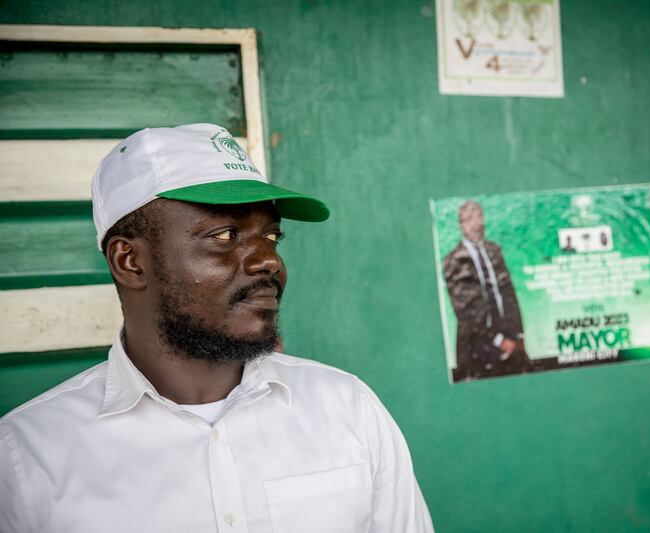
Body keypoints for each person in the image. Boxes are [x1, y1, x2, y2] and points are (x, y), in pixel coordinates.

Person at [0, 124, 433, 533]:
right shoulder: (27, 457)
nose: (269, 261)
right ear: (130, 261)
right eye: (225, 236)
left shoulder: (348, 410)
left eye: (272, 237)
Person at [443, 201, 527, 382]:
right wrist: (499, 341)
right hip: (477, 347)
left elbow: (509, 294)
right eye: (471, 218)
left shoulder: (494, 251)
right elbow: (466, 313)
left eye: (480, 216)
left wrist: (517, 335)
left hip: (510, 341)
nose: (478, 223)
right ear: (461, 225)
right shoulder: (452, 261)